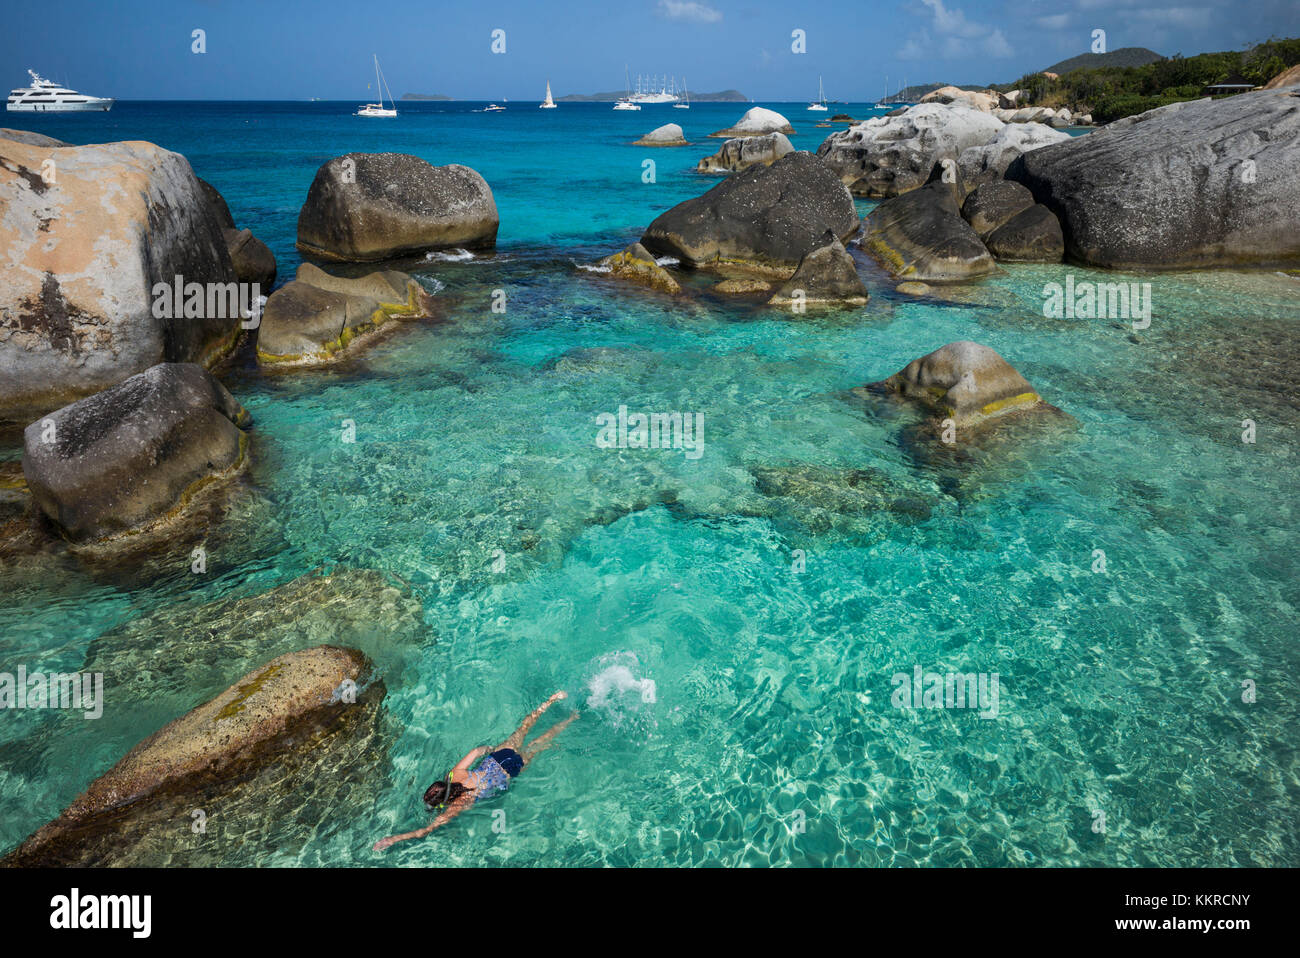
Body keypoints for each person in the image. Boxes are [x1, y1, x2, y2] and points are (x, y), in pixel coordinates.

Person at [373, 690, 578, 851]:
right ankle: (552, 700)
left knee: (541, 742)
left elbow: (424, 831)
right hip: (498, 756)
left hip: (510, 770)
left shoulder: (457, 806)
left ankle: (572, 718)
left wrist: (393, 839)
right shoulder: (453, 774)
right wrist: (489, 750)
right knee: (524, 728)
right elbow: (476, 751)